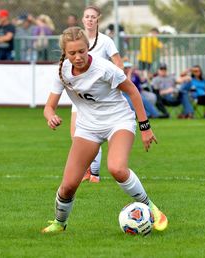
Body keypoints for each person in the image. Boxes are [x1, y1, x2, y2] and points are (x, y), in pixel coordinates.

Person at [42, 26, 168, 233]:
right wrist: (51, 117)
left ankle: (151, 207)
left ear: (88, 47)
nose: (78, 56)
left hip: (119, 121)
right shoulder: (62, 71)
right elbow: (49, 107)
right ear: (65, 53)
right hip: (88, 127)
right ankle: (59, 223)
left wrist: (145, 127)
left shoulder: (104, 68)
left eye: (82, 51)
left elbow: (134, 92)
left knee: (117, 168)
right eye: (72, 53)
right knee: (68, 186)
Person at [73, 5, 124, 183]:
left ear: (98, 19)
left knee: (94, 132)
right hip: (80, 93)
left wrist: (112, 83)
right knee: (77, 135)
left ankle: (94, 174)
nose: (89, 19)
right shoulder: (77, 40)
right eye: (86, 16)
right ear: (82, 19)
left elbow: (119, 64)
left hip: (99, 96)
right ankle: (87, 171)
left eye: (93, 17)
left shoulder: (105, 41)